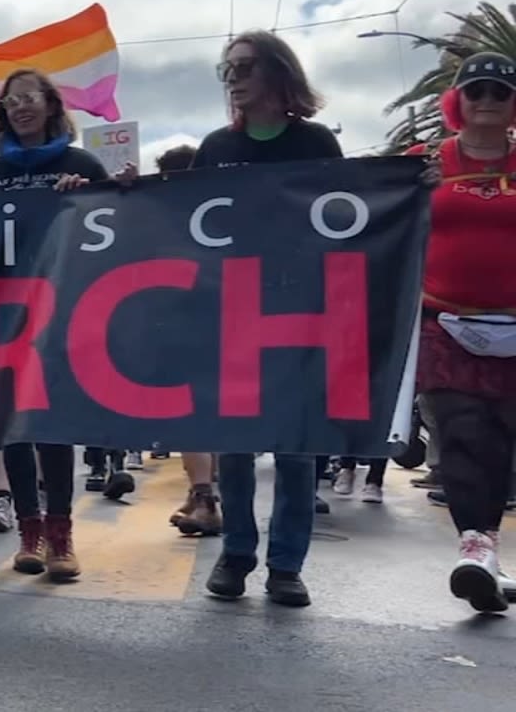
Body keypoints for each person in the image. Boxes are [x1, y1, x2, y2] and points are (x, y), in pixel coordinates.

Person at [194, 30, 343, 608]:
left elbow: (348, 218)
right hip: (230, 308)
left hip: (299, 308)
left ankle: (286, 565)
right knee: (232, 442)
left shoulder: (316, 144)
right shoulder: (214, 146)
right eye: (225, 67)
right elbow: (182, 219)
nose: (232, 77)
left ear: (278, 73)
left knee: (295, 446)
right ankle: (236, 554)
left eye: (244, 66)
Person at [0, 68, 117, 583]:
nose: (20, 107)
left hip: (64, 310)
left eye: (29, 98)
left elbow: (119, 225)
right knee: (13, 423)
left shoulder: (82, 163)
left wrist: (89, 196)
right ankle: (27, 534)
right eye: (11, 102)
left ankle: (61, 536)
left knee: (53, 425)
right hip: (6, 314)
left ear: (51, 105)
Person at [404, 52, 516, 613]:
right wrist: (407, 188)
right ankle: (477, 549)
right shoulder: (424, 162)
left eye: (500, 90)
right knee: (465, 430)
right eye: (477, 91)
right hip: (445, 323)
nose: (489, 100)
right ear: (458, 102)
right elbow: (357, 201)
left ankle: (492, 559)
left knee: (503, 439)